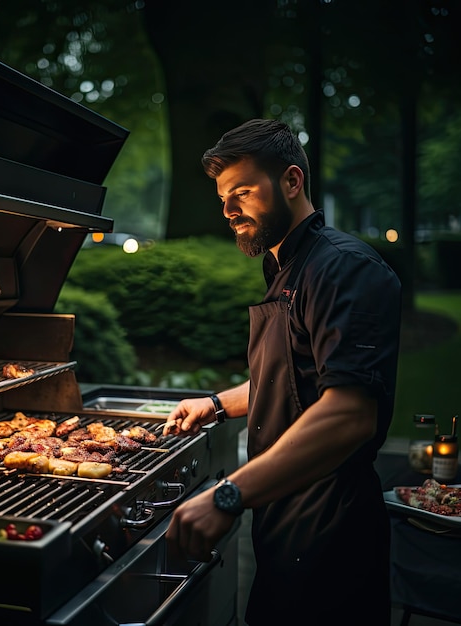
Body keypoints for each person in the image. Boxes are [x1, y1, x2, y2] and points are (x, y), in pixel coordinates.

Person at [163, 119, 402, 626]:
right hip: (283, 522)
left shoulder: (344, 269)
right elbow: (295, 379)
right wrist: (215, 405)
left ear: (292, 181)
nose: (228, 210)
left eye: (243, 192)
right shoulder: (287, 268)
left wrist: (229, 495)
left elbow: (348, 413)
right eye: (224, 196)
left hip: (333, 535)